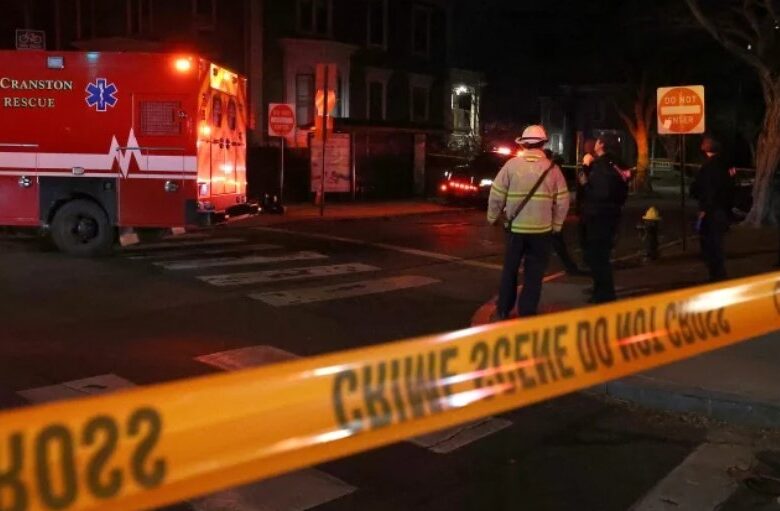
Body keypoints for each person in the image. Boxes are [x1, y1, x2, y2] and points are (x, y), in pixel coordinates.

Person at [487, 125, 570, 319]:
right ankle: (527, 311)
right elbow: (563, 201)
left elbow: (496, 194)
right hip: (541, 231)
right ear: (542, 144)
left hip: (516, 229)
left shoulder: (511, 166)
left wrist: (492, 217)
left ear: (523, 144)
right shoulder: (553, 169)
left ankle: (503, 309)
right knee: (534, 273)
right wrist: (557, 225)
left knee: (510, 270)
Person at [581, 133, 629, 303]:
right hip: (612, 214)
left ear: (601, 144)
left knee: (596, 257)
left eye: (597, 141)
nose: (595, 144)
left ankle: (604, 293)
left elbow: (598, 191)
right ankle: (601, 290)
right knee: (602, 255)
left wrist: (585, 172)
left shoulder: (601, 166)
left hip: (598, 216)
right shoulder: (617, 164)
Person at [690, 136, 735, 282]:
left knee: (711, 244)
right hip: (720, 209)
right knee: (716, 243)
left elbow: (706, 189)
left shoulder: (709, 167)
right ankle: (717, 273)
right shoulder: (724, 164)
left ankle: (716, 275)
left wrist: (704, 208)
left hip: (711, 210)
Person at [544, 149, 587, 275]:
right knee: (557, 242)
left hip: (540, 213)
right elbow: (562, 196)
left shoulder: (538, 170)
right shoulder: (553, 170)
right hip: (550, 212)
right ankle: (570, 267)